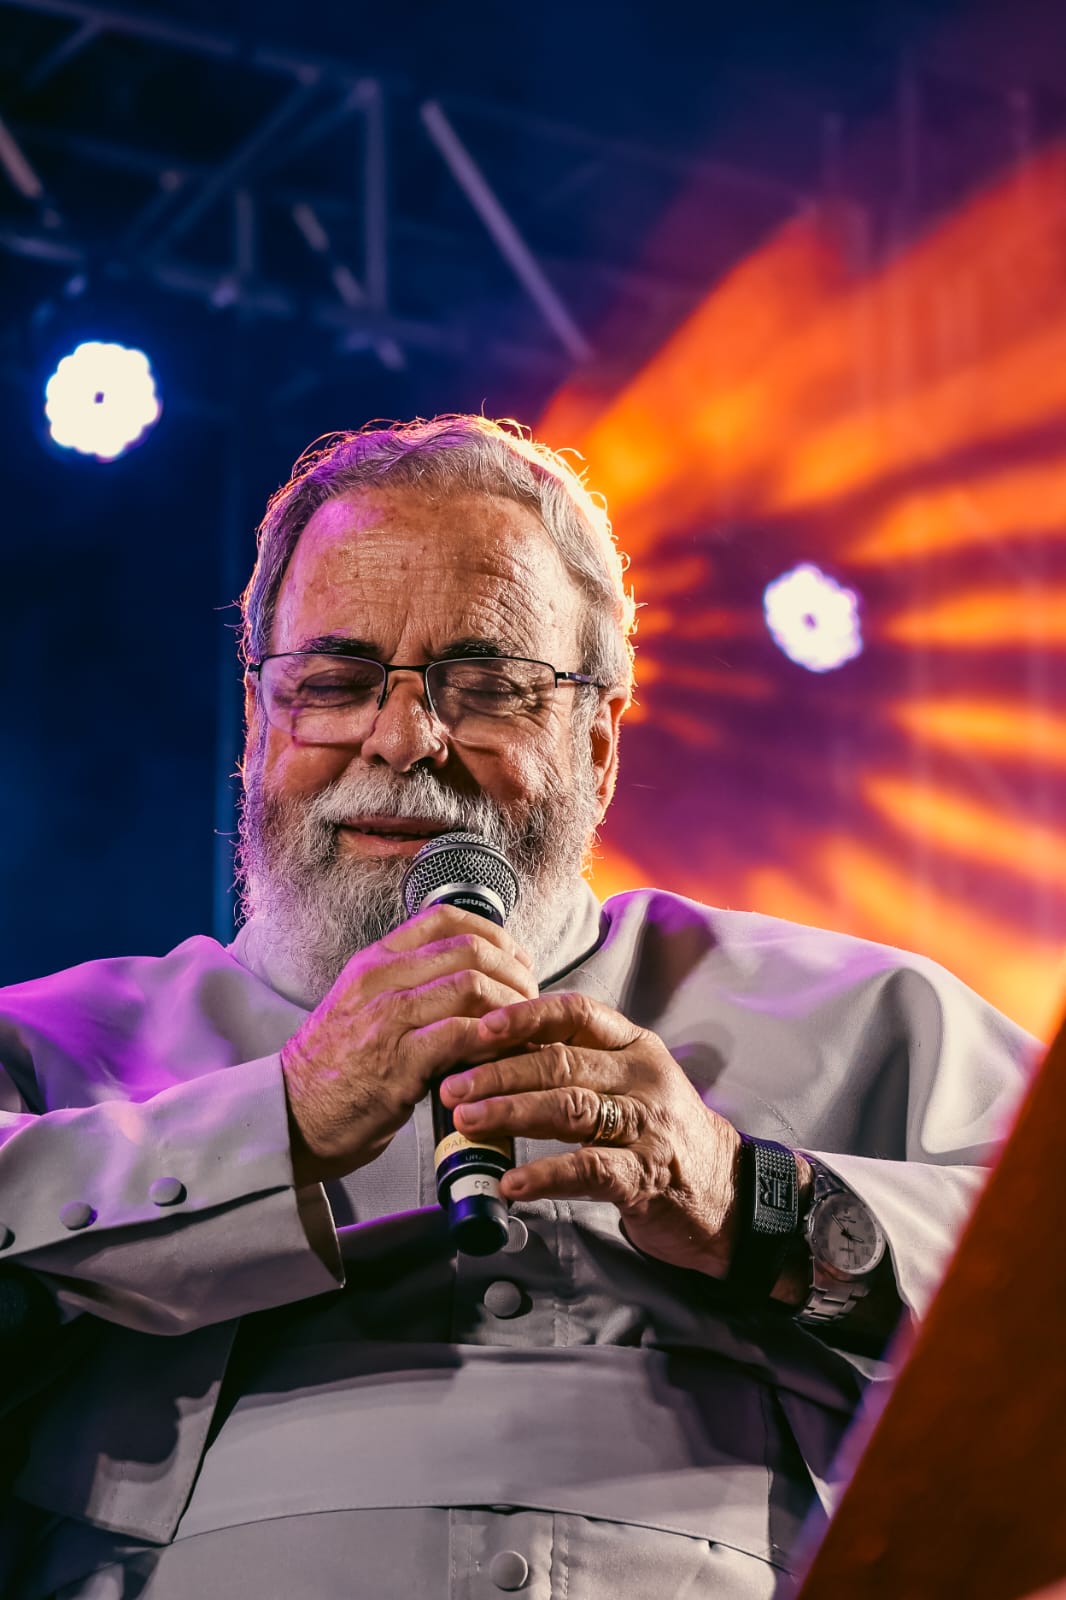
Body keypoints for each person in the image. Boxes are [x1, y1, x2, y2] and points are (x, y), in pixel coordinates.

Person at [0, 415, 1036, 1600]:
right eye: (336, 683)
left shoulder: (871, 1015)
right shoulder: (54, 1043)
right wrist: (273, 1123)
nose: (403, 740)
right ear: (258, 723)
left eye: (486, 688)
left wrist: (746, 1197)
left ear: (597, 742)